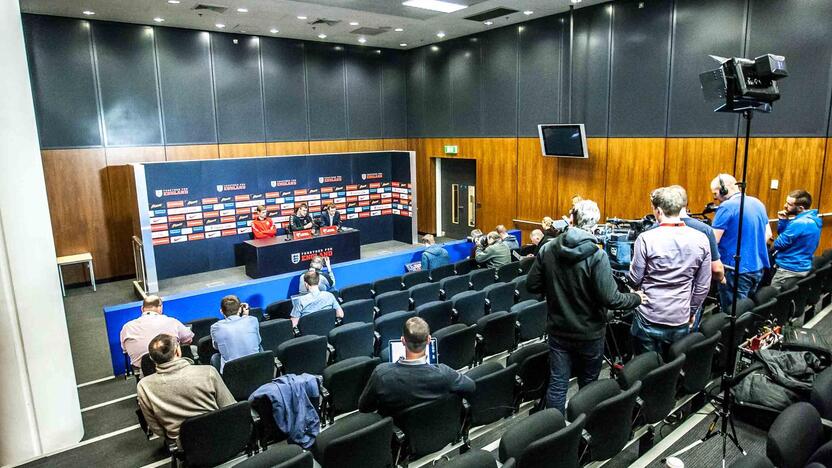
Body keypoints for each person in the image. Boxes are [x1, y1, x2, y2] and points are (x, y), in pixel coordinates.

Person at [527, 199, 644, 413]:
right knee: (588, 384)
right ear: (595, 224)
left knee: (558, 383)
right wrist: (636, 298)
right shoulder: (597, 255)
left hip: (558, 330)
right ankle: (582, 429)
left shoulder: (548, 248)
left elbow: (532, 284)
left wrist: (554, 288)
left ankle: (555, 432)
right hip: (590, 333)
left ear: (571, 219)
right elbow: (612, 299)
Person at [628, 187, 711, 355]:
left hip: (648, 316)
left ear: (658, 211)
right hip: (680, 317)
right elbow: (703, 286)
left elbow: (635, 278)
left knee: (646, 371)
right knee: (672, 369)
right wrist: (691, 311)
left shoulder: (645, 238)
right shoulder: (702, 239)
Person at [358, 317, 475, 416]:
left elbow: (364, 407)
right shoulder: (444, 373)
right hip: (435, 428)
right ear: (429, 340)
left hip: (397, 433)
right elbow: (471, 386)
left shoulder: (381, 374)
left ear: (403, 341)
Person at [137, 334, 235, 443]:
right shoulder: (208, 372)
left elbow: (156, 428)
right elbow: (229, 406)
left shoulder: (144, 386)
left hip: (184, 445)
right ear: (178, 351)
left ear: (152, 359)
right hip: (221, 436)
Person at [709, 174, 772, 311]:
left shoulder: (726, 207)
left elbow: (713, 242)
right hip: (757, 267)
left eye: (715, 194)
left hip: (735, 271)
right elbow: (768, 235)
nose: (716, 199)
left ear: (723, 189)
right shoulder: (757, 203)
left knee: (733, 314)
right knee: (747, 309)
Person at [670, 185, 725, 330]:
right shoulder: (704, 230)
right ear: (686, 204)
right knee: (684, 347)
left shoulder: (653, 229)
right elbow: (716, 269)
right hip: (689, 299)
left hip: (658, 304)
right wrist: (721, 278)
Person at [120, 295, 194, 373]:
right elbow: (188, 340)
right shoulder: (171, 321)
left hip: (143, 372)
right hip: (172, 367)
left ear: (142, 309)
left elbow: (125, 350)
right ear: (160, 308)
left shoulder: (126, 328)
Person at [771, 189, 822, 289]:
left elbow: (779, 244)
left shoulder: (800, 223)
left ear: (800, 208)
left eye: (789, 204)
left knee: (773, 300)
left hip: (788, 269)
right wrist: (783, 221)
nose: (785, 206)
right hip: (801, 266)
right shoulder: (812, 219)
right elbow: (787, 237)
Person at [209, 295, 261, 372]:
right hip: (256, 368)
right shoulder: (252, 320)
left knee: (216, 357)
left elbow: (216, 347)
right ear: (240, 309)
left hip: (232, 373)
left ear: (221, 311)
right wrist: (245, 315)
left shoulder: (215, 327)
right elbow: (258, 341)